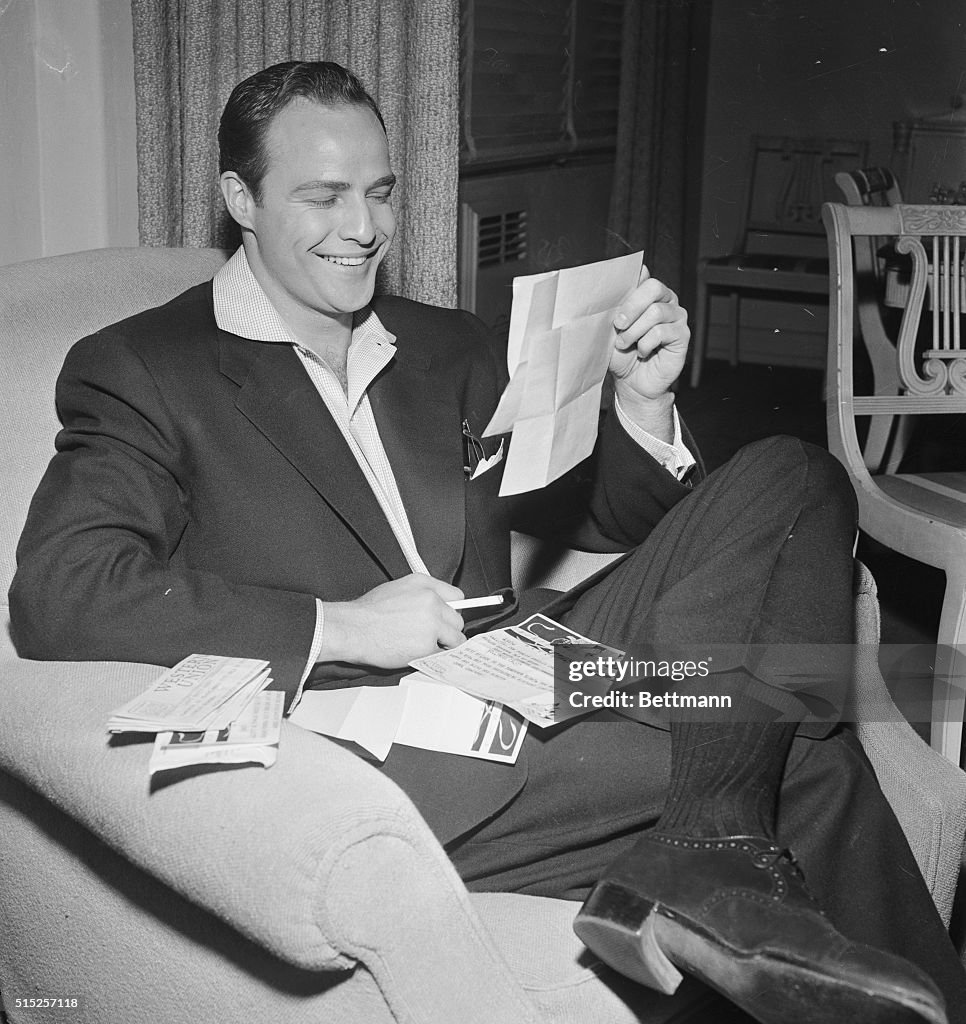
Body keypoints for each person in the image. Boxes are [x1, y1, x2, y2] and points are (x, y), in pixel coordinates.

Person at [9, 61, 964, 1024]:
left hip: (524, 663)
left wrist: (642, 407)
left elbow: (584, 514)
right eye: (322, 197)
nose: (364, 230)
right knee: (805, 751)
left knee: (798, 475)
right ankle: (723, 852)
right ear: (239, 199)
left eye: (379, 193)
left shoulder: (444, 344)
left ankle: (708, 841)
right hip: (375, 737)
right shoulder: (145, 368)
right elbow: (62, 591)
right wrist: (338, 625)